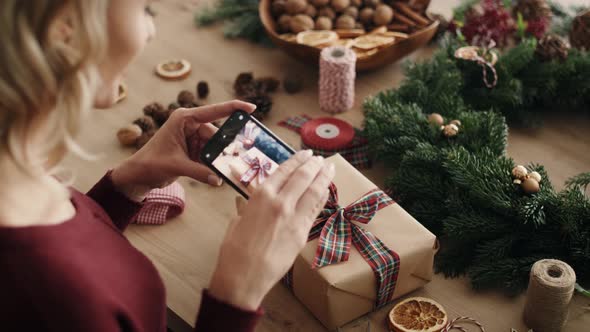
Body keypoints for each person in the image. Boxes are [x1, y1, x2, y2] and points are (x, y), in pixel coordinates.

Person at [0, 1, 335, 331]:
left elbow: (82, 253)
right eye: (144, 8)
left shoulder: (18, 174)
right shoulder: (55, 293)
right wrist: (237, 293)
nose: (150, 30)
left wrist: (124, 187)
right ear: (65, 28)